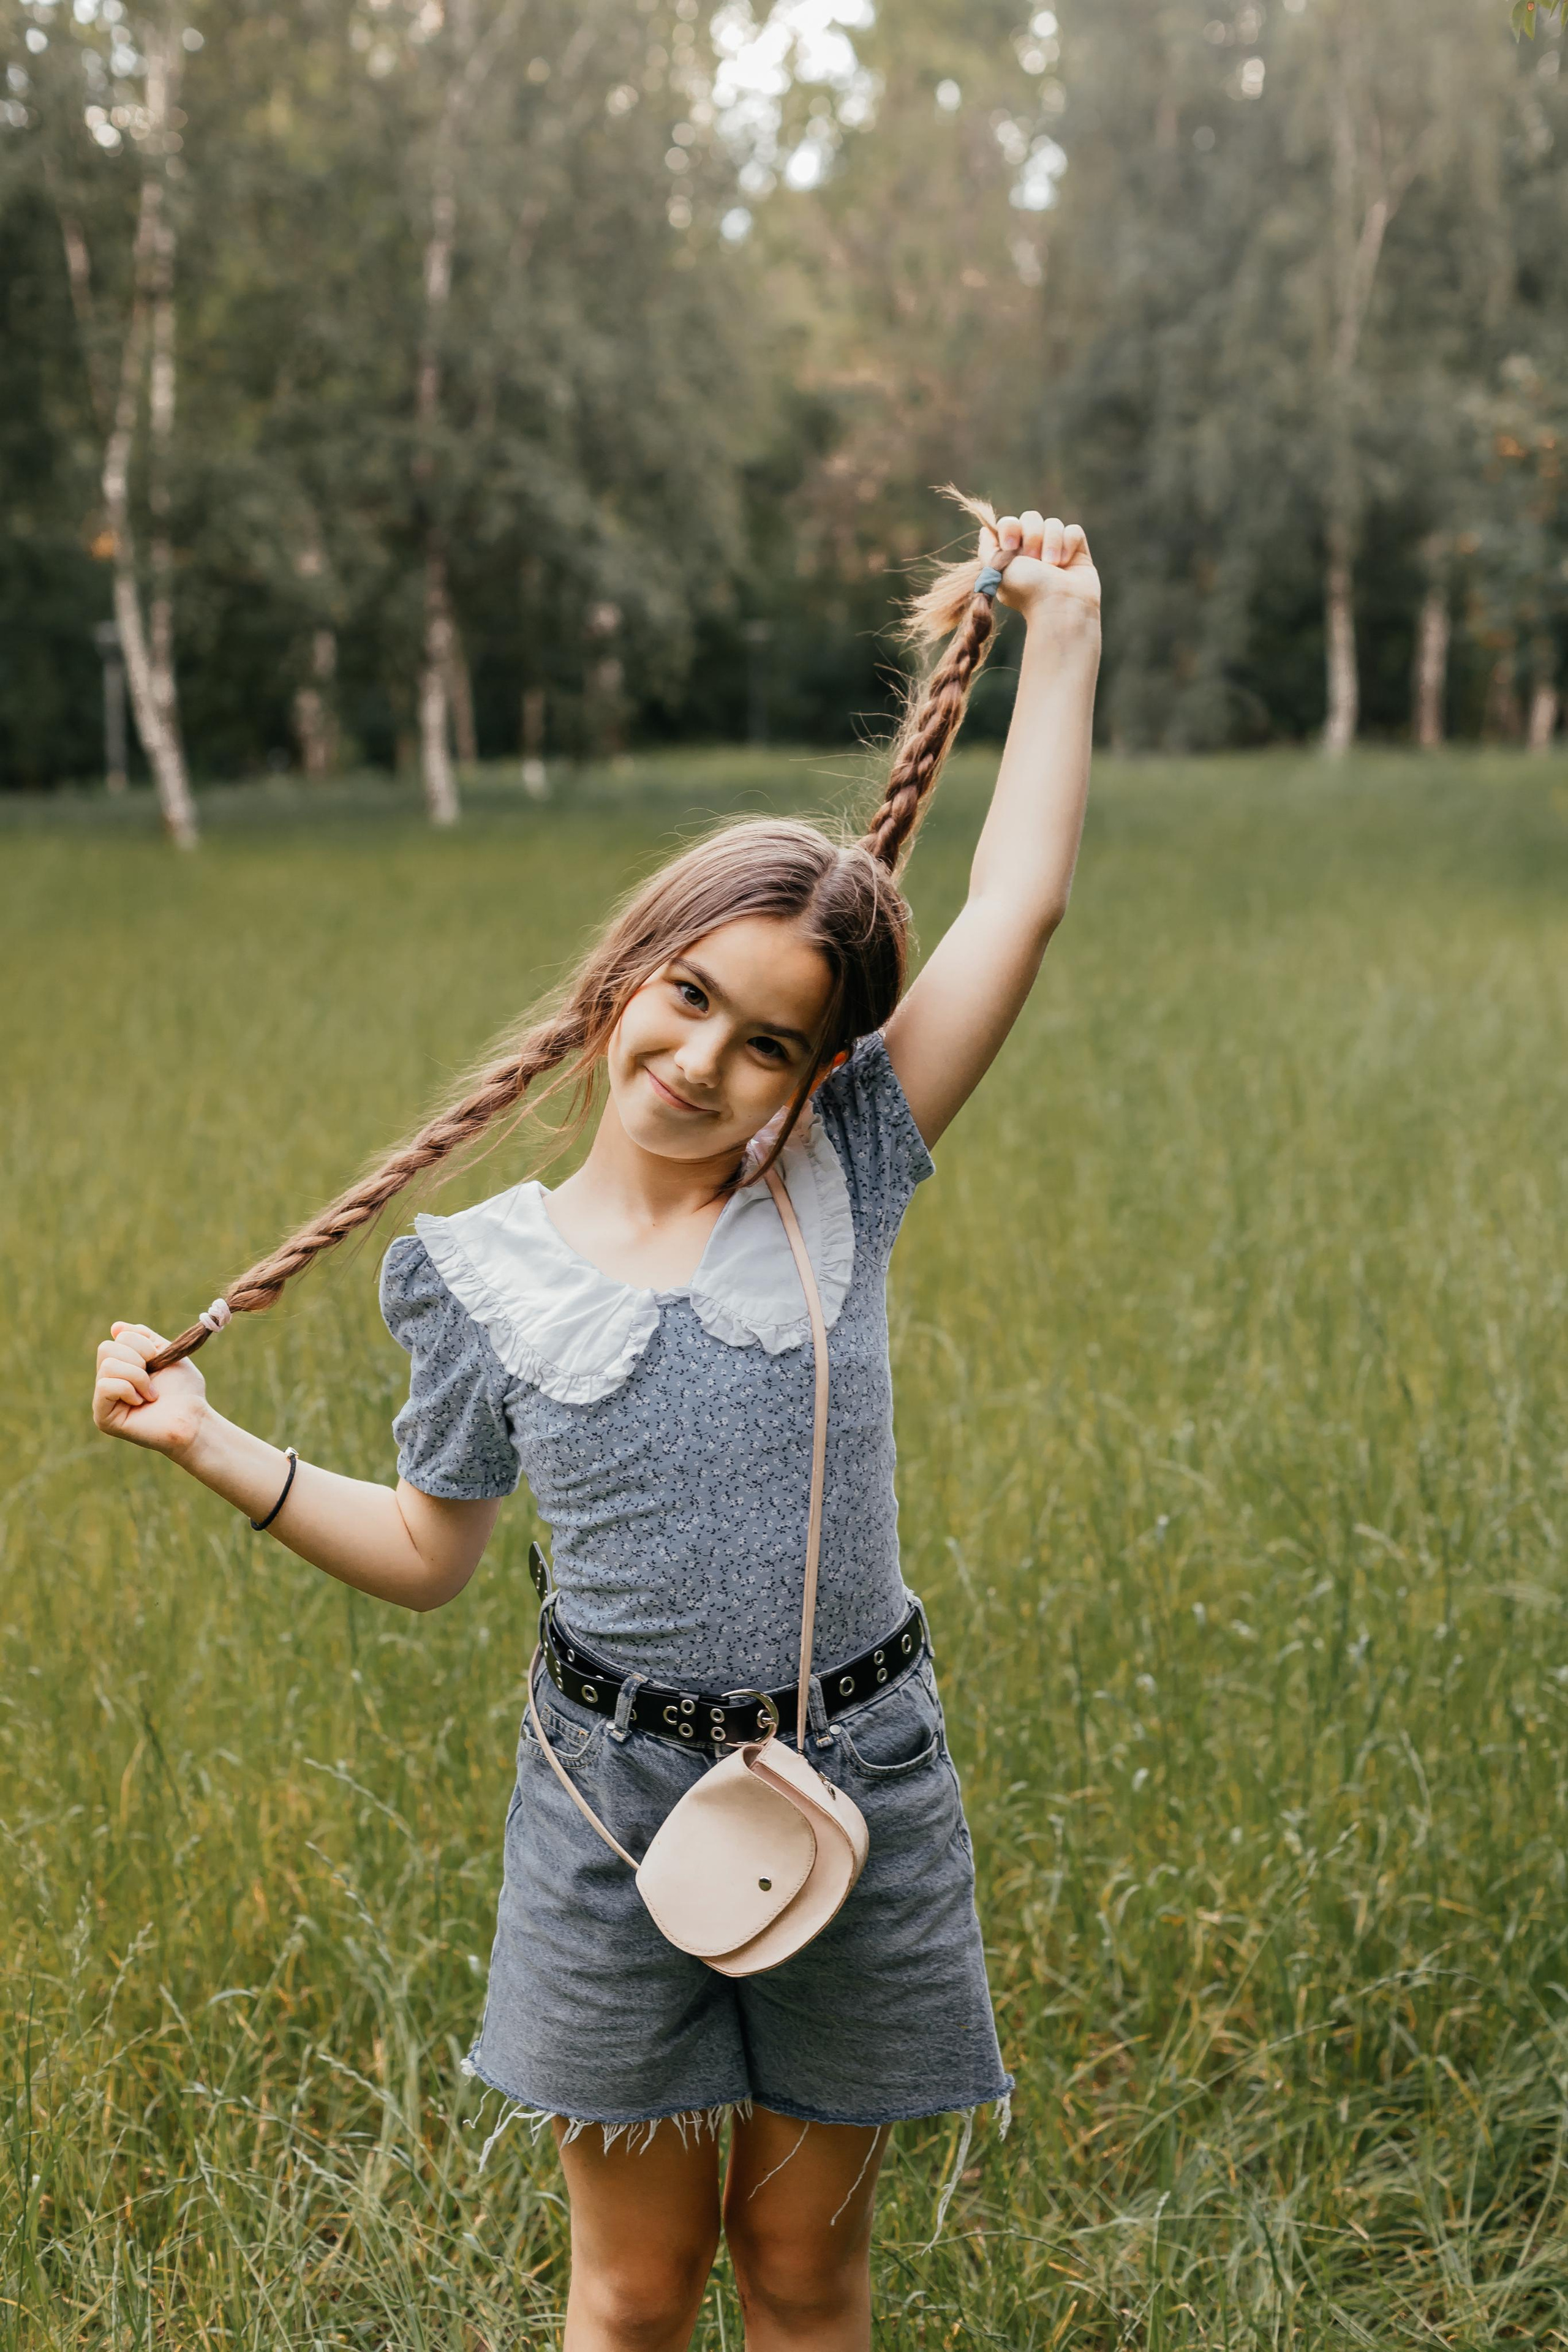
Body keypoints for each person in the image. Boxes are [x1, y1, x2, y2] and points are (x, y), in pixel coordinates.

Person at [91, 501, 1101, 2352]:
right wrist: (207, 1444)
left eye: (774, 1043)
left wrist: (1069, 627)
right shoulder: (481, 1277)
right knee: (634, 2292)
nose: (708, 1062)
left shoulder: (841, 1180)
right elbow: (426, 1553)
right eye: (693, 997)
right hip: (607, 1807)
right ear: (627, 979)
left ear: (821, 1075)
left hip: (852, 1781)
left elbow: (1016, 900)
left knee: (805, 2272)